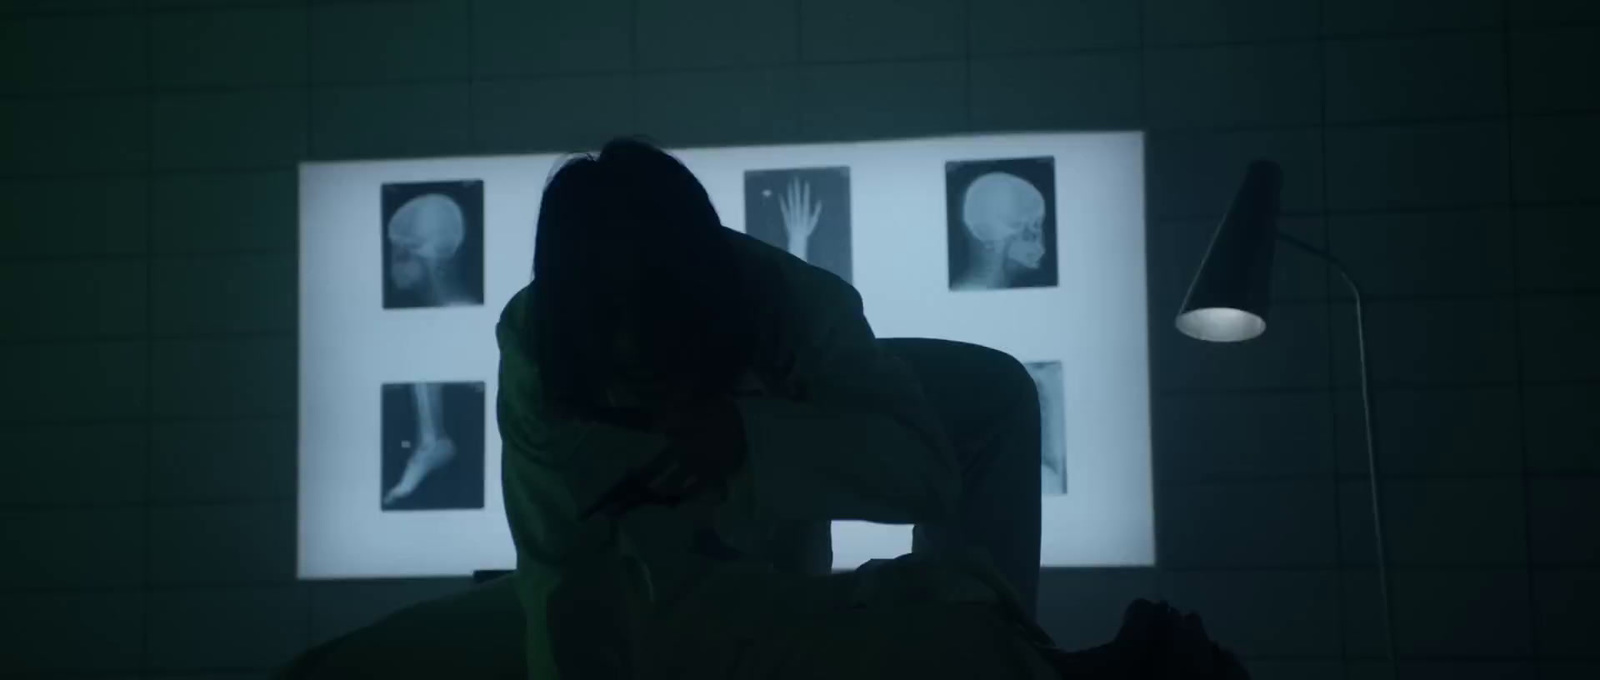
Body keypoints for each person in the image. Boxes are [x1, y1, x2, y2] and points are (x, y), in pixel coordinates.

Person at [497, 137, 1245, 679]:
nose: (632, 345)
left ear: (703, 301)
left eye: (653, 319)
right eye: (609, 321)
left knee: (994, 397)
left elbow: (923, 471)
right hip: (694, 592)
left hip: (770, 473)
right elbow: (558, 571)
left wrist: (753, 440)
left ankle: (1007, 655)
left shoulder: (790, 305)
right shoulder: (537, 347)